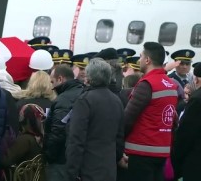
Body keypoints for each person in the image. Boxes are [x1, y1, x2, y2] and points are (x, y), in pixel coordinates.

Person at [124, 42, 178, 181]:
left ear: (147, 60)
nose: (139, 60)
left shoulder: (147, 84)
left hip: (141, 151)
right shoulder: (171, 84)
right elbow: (173, 120)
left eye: (141, 56)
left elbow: (128, 118)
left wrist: (118, 144)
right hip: (162, 151)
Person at [65, 58, 124, 181]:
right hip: (109, 169)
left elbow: (76, 139)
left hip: (88, 169)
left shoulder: (85, 101)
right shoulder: (116, 100)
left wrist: (71, 172)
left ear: (89, 78)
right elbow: (119, 138)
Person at [44, 64, 83, 181]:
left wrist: (49, 155)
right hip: (78, 157)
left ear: (60, 79)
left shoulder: (63, 99)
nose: (52, 86)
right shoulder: (83, 92)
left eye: (52, 82)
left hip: (61, 159)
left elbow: (58, 131)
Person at [172, 63, 201, 181]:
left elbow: (186, 133)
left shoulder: (197, 99)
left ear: (197, 79)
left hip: (196, 160)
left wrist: (175, 160)